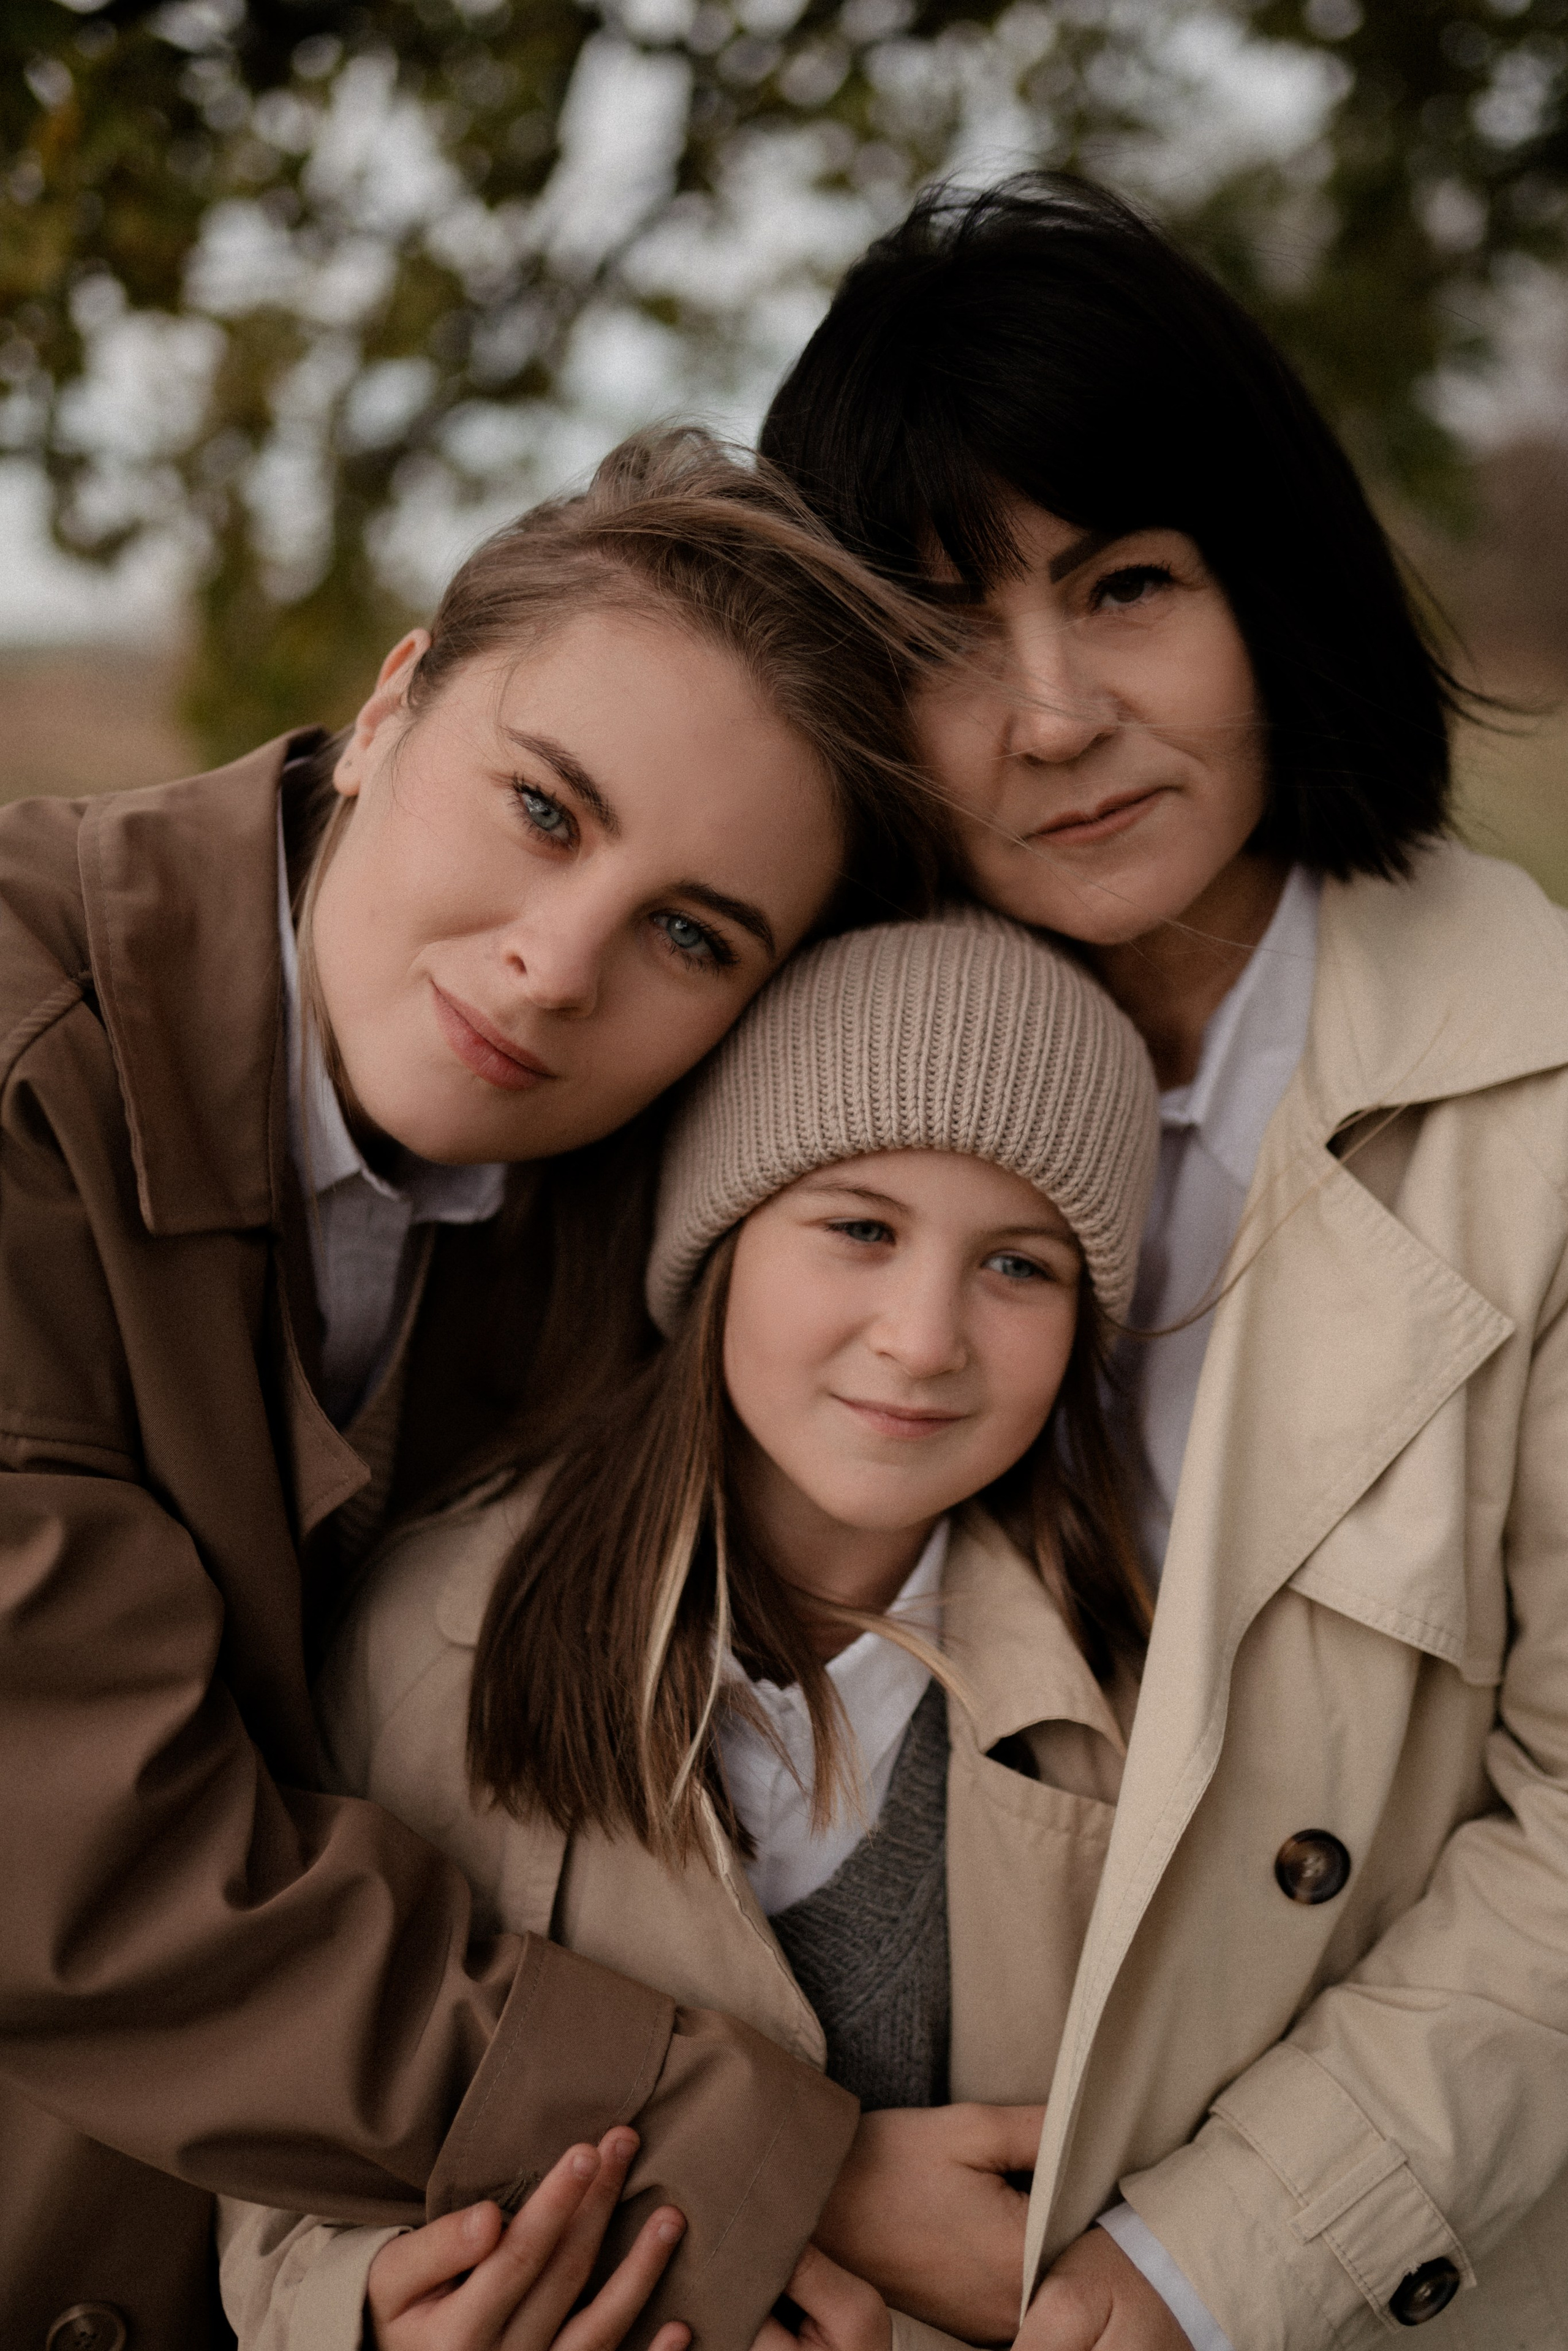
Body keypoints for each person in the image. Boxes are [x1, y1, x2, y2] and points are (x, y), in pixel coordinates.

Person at [0, 428, 962, 2351]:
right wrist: (763, 2156)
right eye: (543, 807)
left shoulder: (648, 1204)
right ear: (389, 705)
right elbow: (69, 1857)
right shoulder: (24, 1067)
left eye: (694, 933)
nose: (552, 966)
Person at [760, 173, 1568, 2349]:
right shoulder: (769, 1097)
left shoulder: (1546, 1113)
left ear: (1265, 577)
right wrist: (750, 2162)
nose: (1050, 715)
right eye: (938, 639)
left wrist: (1207, 2264)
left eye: (1126, 586)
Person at [211, 906, 1163, 2351]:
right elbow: (277, 2144)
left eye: (1018, 1265)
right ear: (715, 1236)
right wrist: (359, 2313)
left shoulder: (1130, 1710)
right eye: (856, 1226)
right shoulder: (433, 1640)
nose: (922, 1333)